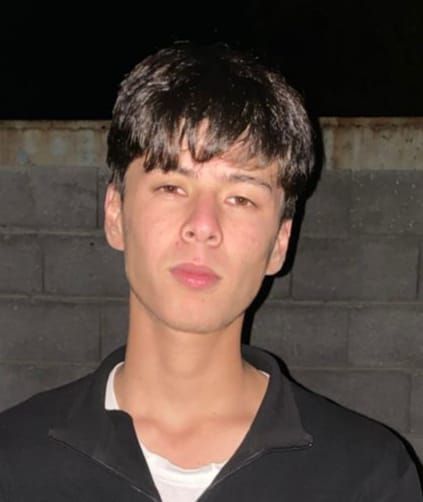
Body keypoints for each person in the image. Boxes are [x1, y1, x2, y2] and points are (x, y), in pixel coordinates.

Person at [0, 42, 421, 502]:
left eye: (240, 198)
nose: (203, 225)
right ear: (116, 213)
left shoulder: (367, 477)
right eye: (171, 186)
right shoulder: (14, 463)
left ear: (280, 243)